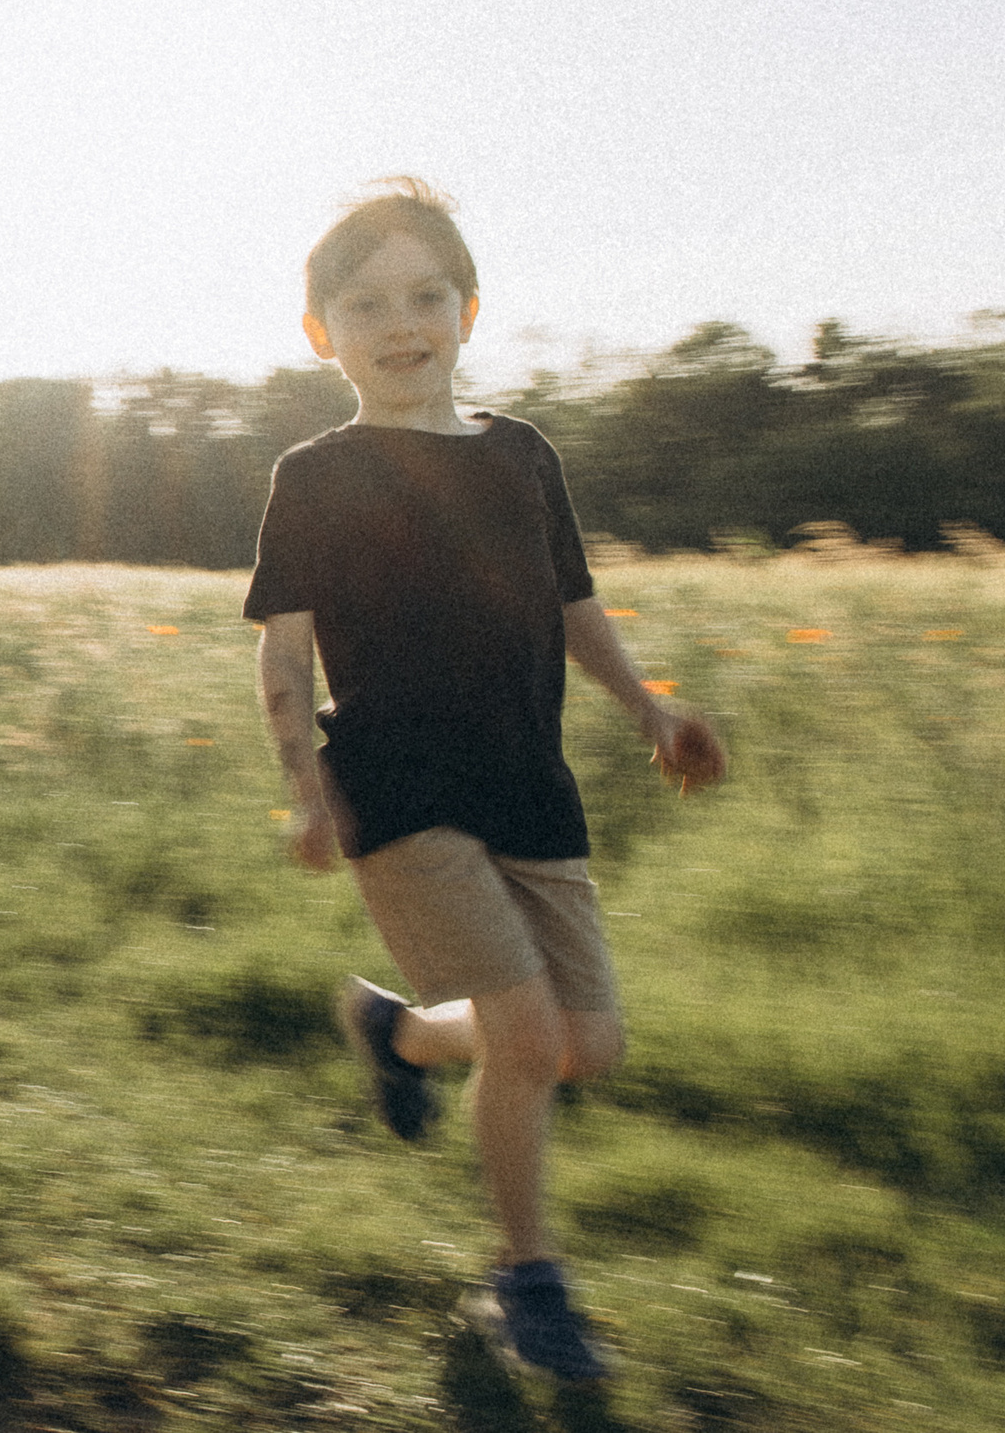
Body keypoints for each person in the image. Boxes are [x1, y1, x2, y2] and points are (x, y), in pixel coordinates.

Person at [244, 178, 726, 1385]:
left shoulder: (522, 458)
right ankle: (526, 1279)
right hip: (397, 791)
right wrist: (307, 787)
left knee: (587, 1042)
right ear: (321, 333)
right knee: (523, 1036)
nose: (400, 325)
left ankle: (399, 1035)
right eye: (365, 304)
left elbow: (571, 605)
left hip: (528, 779)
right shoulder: (315, 476)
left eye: (426, 296)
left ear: (468, 309)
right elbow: (282, 645)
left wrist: (649, 709)